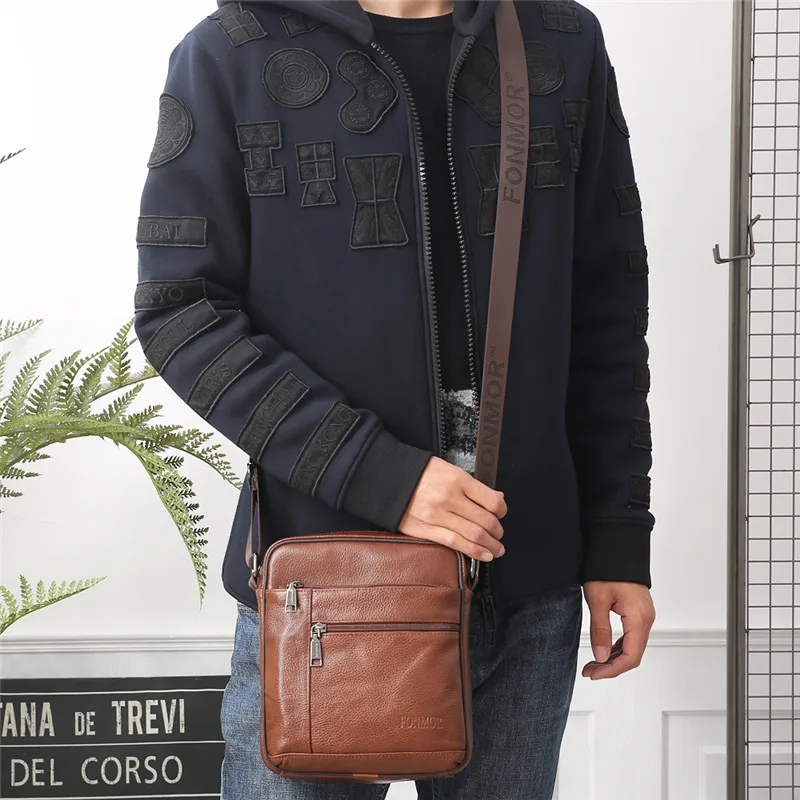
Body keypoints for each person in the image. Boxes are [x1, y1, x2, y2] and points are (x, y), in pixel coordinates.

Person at [134, 0, 657, 796]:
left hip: (523, 585)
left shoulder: (559, 39)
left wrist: (618, 534)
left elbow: (606, 305)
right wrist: (383, 475)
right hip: (321, 584)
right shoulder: (232, 52)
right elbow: (180, 312)